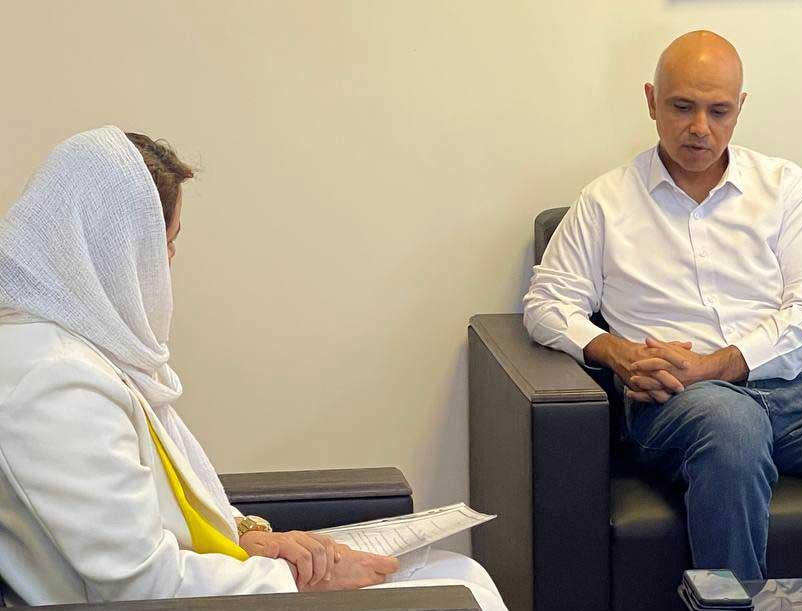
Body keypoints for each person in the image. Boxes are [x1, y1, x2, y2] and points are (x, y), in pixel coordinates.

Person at [0, 126, 507, 610]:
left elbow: (164, 520)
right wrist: (299, 583)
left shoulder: (79, 349)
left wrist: (256, 538)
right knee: (461, 593)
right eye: (166, 244)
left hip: (201, 588)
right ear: (116, 249)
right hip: (176, 604)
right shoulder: (51, 385)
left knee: (460, 572)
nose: (168, 262)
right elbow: (143, 586)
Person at [523, 30, 802, 581]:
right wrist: (617, 353)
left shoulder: (783, 187)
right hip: (682, 403)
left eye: (718, 111)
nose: (699, 128)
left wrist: (718, 363)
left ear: (740, 108)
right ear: (652, 101)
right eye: (682, 107)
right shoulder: (605, 202)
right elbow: (546, 302)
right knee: (733, 428)